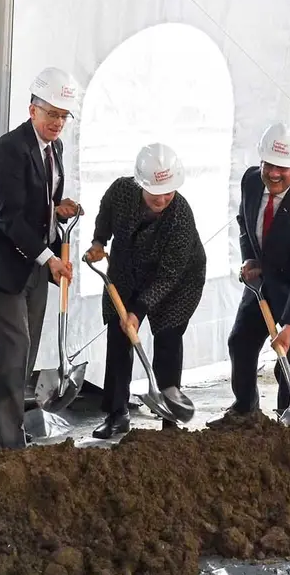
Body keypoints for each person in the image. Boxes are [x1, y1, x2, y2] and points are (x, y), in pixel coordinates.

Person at [0, 67, 83, 449]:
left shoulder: (55, 148)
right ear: (32, 110)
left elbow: (39, 201)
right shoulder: (8, 152)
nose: (57, 122)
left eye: (63, 116)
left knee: (27, 346)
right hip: (4, 264)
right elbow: (8, 216)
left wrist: (58, 209)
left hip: (38, 261)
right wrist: (48, 258)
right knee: (13, 346)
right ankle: (10, 440)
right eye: (51, 113)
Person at [84, 143, 206, 436]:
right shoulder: (122, 191)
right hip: (127, 271)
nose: (163, 198)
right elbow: (106, 211)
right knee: (118, 337)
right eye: (156, 191)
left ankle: (170, 418)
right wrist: (100, 241)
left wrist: (138, 311)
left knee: (167, 339)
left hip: (178, 282)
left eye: (169, 191)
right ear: (140, 184)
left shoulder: (181, 217)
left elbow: (169, 275)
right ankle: (117, 413)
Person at [225, 123, 290, 417]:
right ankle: (245, 409)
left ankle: (288, 415)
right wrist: (250, 259)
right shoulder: (250, 181)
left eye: (282, 168)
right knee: (240, 341)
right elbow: (244, 223)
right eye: (269, 164)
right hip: (266, 279)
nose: (274, 173)